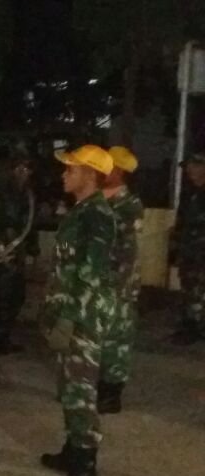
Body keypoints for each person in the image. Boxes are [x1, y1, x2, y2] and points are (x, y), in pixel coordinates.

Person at [39, 145, 117, 476]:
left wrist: (69, 319)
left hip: (83, 316)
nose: (63, 174)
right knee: (70, 387)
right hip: (70, 310)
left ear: (90, 174)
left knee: (81, 390)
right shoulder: (81, 211)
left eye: (71, 169)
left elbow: (90, 273)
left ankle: (85, 467)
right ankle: (72, 450)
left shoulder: (96, 215)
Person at [97, 147, 144, 414]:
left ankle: (112, 393)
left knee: (117, 338)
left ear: (121, 171)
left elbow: (123, 247)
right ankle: (98, 384)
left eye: (109, 166)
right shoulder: (95, 199)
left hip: (119, 282)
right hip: (96, 280)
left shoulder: (129, 205)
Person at [0, 150, 38, 354]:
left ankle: (3, 336)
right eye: (20, 167)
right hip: (1, 248)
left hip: (18, 249)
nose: (23, 172)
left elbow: (30, 222)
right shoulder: (0, 189)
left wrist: (32, 247)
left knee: (16, 295)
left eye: (27, 168)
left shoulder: (27, 194)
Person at [171, 152, 205, 345]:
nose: (190, 171)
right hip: (189, 251)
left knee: (198, 290)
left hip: (201, 251)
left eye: (195, 166)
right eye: (188, 167)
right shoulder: (189, 193)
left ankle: (195, 327)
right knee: (188, 288)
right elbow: (182, 221)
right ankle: (189, 324)